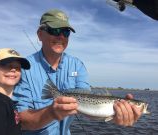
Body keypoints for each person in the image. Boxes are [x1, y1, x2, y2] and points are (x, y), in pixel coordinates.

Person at [13, 9, 142, 135]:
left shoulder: (77, 65)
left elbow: (88, 108)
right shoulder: (23, 67)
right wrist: (51, 112)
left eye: (66, 32)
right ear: (40, 34)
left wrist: (113, 114)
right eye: (55, 30)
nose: (61, 36)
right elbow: (22, 121)